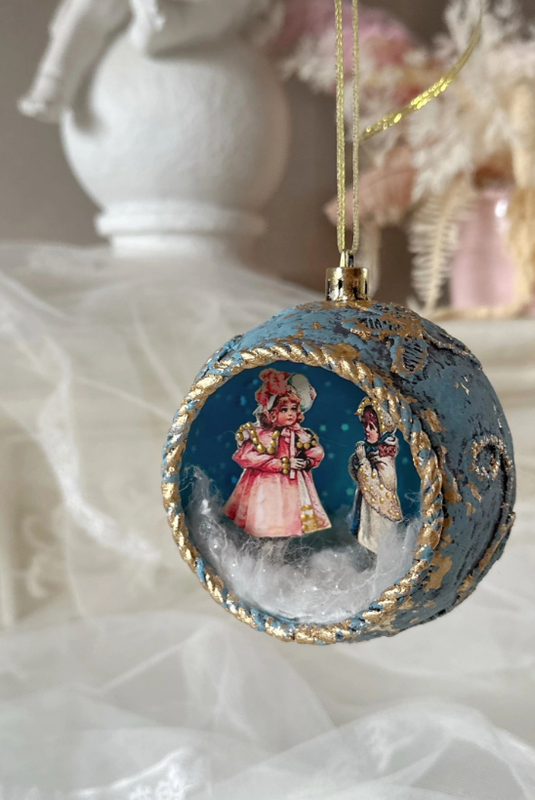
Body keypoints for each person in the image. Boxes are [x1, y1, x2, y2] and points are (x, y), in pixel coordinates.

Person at [224, 369, 331, 538]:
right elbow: (247, 457)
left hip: (293, 487)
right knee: (266, 520)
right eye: (284, 410)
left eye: (293, 409)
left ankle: (283, 545)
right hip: (265, 485)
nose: (290, 414)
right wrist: (282, 463)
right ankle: (266, 545)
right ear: (272, 413)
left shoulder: (299, 433)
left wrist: (306, 462)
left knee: (290, 521)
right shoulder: (259, 434)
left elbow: (316, 453)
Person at [347, 400, 402, 568]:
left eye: (371, 427)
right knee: (368, 542)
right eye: (365, 425)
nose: (366, 430)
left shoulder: (384, 459)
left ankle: (379, 570)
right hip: (368, 508)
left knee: (377, 544)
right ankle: (371, 569)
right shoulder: (372, 452)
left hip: (380, 511)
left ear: (382, 431)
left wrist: (364, 461)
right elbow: (358, 477)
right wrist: (358, 460)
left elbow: (384, 484)